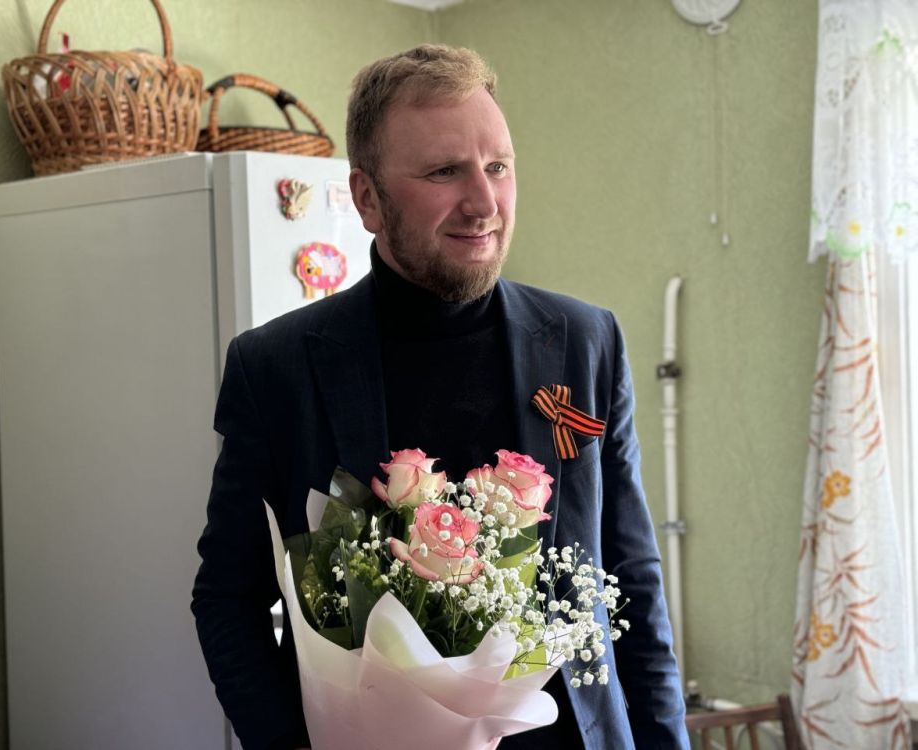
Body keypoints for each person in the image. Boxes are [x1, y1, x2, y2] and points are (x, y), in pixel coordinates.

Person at [192, 44, 688, 750]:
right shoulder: (275, 368)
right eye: (445, 171)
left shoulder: (585, 341)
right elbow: (228, 600)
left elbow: (631, 576)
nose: (485, 203)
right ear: (368, 199)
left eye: (498, 167)